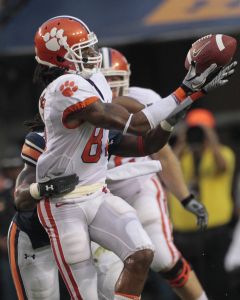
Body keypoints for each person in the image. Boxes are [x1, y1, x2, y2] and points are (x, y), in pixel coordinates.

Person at [33, 15, 235, 300]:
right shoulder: (65, 89)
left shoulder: (95, 84)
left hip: (106, 192)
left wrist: (189, 98)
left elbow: (145, 144)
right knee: (95, 286)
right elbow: (137, 124)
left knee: (150, 255)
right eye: (84, 51)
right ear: (61, 58)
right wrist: (184, 91)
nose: (93, 58)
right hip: (68, 204)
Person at [91, 46, 208, 300]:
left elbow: (163, 153)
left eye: (115, 80)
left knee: (164, 258)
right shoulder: (82, 106)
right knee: (105, 276)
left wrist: (185, 197)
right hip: (96, 197)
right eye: (105, 80)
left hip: (138, 185)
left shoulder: (142, 98)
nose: (111, 89)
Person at [8, 114, 78, 300]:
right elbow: (20, 199)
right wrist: (45, 188)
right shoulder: (42, 140)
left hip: (78, 233)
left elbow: (144, 145)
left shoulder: (102, 135)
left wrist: (165, 122)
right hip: (38, 236)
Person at [169, 109, 236, 300]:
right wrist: (182, 139)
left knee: (217, 281)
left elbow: (222, 165)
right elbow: (167, 166)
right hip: (184, 234)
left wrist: (210, 138)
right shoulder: (182, 157)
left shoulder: (223, 153)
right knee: (187, 283)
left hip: (215, 231)